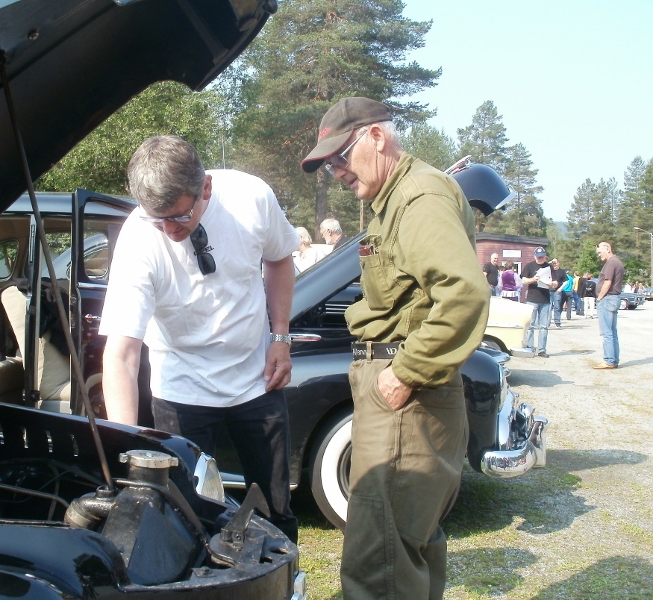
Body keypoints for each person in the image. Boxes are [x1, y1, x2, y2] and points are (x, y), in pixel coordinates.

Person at [301, 96, 489, 600]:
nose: (337, 171)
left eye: (340, 157)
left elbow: (463, 293)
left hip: (407, 395)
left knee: (379, 558)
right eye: (329, 164)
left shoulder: (418, 196)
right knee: (404, 546)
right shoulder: (396, 200)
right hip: (404, 396)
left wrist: (406, 373)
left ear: (377, 137)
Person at [99, 135, 300, 541]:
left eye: (179, 216)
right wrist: (126, 446)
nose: (169, 230)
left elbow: (280, 259)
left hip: (256, 380)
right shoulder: (138, 239)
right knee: (189, 521)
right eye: (158, 220)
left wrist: (280, 337)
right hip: (181, 389)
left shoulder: (251, 197)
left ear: (206, 187)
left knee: (275, 511)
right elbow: (121, 355)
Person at [594, 241, 624, 369]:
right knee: (612, 332)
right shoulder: (618, 262)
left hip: (607, 299)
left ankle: (609, 360)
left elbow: (607, 282)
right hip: (614, 298)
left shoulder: (611, 263)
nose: (599, 255)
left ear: (607, 249)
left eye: (600, 252)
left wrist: (600, 298)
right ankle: (614, 359)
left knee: (606, 332)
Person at [521, 246, 556, 357]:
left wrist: (552, 284)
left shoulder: (549, 267)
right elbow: (523, 280)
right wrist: (533, 279)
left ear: (545, 256)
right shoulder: (529, 266)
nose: (540, 259)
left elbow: (556, 281)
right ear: (534, 256)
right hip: (532, 299)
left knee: (544, 326)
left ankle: (542, 350)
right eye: (538, 257)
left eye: (542, 257)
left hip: (545, 299)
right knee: (530, 325)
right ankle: (529, 348)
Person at [549, 258, 568, 327]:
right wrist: (551, 262)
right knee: (548, 307)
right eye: (553, 263)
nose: (555, 264)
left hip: (557, 291)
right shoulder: (549, 270)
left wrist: (560, 288)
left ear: (558, 263)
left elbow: (566, 281)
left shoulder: (562, 271)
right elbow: (543, 266)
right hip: (549, 291)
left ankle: (557, 322)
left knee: (557, 307)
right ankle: (547, 322)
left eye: (556, 263)